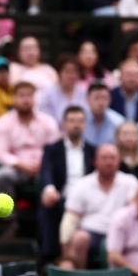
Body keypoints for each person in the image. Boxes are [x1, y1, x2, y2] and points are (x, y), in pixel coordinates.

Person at [61, 144, 138, 269]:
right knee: (79, 238)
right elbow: (70, 217)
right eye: (104, 158)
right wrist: (65, 250)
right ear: (95, 161)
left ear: (119, 161)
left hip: (121, 231)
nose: (109, 162)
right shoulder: (82, 184)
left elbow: (134, 209)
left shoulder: (130, 181)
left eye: (112, 158)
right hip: (91, 232)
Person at [39, 106, 95, 262]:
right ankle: (50, 258)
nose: (76, 125)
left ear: (85, 124)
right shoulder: (52, 149)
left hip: (87, 199)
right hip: (60, 197)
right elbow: (46, 171)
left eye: (80, 121)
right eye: (71, 121)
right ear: (64, 124)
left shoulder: (92, 150)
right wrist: (49, 189)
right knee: (48, 208)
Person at [0, 81, 61, 196]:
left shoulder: (48, 121)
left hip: (44, 168)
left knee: (56, 174)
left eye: (29, 95)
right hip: (16, 169)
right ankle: (8, 213)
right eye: (21, 95)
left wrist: (43, 164)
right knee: (2, 175)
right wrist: (21, 165)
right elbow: (1, 153)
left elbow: (55, 148)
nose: (26, 99)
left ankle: (48, 213)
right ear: (14, 98)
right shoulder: (3, 123)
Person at [38, 57, 87, 122]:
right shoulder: (48, 95)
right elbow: (45, 120)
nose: (71, 75)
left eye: (75, 72)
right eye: (67, 71)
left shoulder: (84, 93)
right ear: (59, 73)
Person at [84, 82, 125, 147]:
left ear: (110, 100)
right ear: (87, 100)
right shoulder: (80, 120)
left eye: (104, 98)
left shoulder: (119, 122)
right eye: (96, 98)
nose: (101, 103)